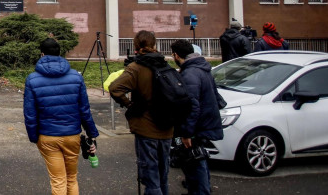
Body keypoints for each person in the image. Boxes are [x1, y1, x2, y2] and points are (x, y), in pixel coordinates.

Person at [23, 38, 99, 195]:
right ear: (60, 54)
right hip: (72, 135)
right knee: (71, 178)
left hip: (47, 136)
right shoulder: (76, 77)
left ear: (42, 54)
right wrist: (92, 134)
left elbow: (30, 114)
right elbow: (84, 110)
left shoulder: (32, 79)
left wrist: (33, 137)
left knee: (58, 180)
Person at [109, 30, 174, 195]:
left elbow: (115, 88)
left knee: (151, 177)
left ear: (136, 46)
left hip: (146, 127)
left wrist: (129, 105)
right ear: (154, 45)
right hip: (167, 128)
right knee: (163, 176)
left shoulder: (137, 68)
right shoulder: (166, 65)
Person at [170, 40, 223, 195]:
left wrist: (187, 133)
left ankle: (200, 191)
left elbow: (192, 106)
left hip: (197, 126)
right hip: (206, 121)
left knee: (195, 161)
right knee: (197, 159)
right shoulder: (202, 68)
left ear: (176, 55)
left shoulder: (190, 74)